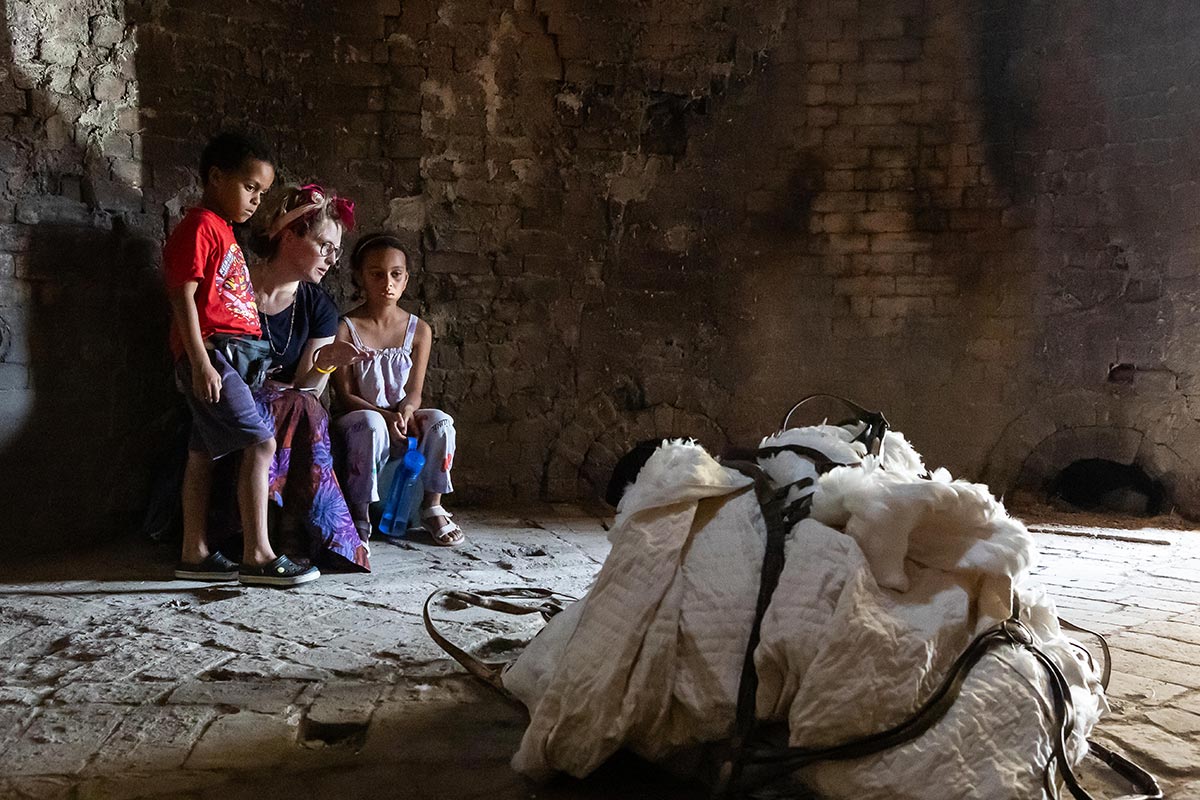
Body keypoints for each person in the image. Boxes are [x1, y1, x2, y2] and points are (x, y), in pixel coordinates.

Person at [164, 131, 319, 587]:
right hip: (214, 354)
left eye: (262, 192)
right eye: (250, 187)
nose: (255, 199)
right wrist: (200, 362)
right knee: (261, 443)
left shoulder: (224, 230)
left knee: (202, 451)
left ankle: (193, 552)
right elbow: (182, 296)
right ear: (216, 177)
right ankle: (259, 554)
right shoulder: (199, 227)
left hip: (228, 356)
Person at [223, 183, 373, 570]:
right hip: (230, 394)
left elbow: (309, 388)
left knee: (304, 407)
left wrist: (325, 361)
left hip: (289, 409)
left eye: (336, 252)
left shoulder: (319, 307)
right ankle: (282, 534)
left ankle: (284, 531)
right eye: (324, 246)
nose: (331, 259)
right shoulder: (237, 285)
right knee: (285, 407)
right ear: (289, 236)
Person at [332, 233, 463, 546]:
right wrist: (384, 416)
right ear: (359, 277)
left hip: (399, 417)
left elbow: (415, 392)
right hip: (360, 418)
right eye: (376, 274)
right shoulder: (345, 328)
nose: (387, 283)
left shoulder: (419, 330)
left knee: (441, 421)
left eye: (395, 274)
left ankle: (433, 506)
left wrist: (405, 411)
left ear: (406, 279)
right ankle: (361, 520)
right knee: (372, 424)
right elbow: (345, 396)